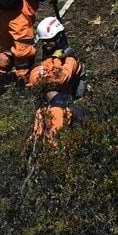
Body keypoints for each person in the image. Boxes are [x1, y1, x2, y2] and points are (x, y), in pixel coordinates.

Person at [27, 16, 86, 145]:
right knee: (36, 135)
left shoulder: (70, 58)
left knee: (55, 138)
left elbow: (61, 78)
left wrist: (59, 59)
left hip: (68, 105)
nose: (45, 44)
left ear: (59, 38)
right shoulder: (50, 58)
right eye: (43, 41)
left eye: (48, 41)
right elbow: (41, 78)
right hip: (51, 104)